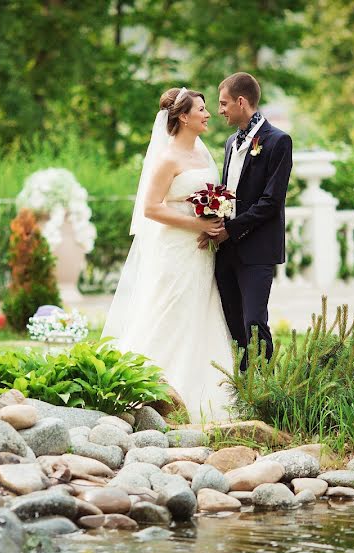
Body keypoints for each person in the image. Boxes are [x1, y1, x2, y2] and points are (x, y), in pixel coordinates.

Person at [102, 87, 235, 423]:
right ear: (182, 117)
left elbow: (211, 197)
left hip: (202, 252)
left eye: (207, 109)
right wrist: (197, 225)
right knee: (169, 310)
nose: (207, 115)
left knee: (200, 312)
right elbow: (150, 208)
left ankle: (204, 396)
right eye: (201, 110)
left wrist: (216, 222)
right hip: (174, 248)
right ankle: (148, 393)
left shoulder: (204, 156)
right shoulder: (167, 158)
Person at [200, 72, 293, 371]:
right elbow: (230, 194)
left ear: (242, 101)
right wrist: (213, 219)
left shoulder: (279, 141)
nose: (220, 110)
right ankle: (245, 387)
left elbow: (271, 202)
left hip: (257, 250)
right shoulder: (230, 143)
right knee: (234, 325)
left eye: (224, 103)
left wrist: (230, 230)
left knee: (254, 321)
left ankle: (265, 386)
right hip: (226, 252)